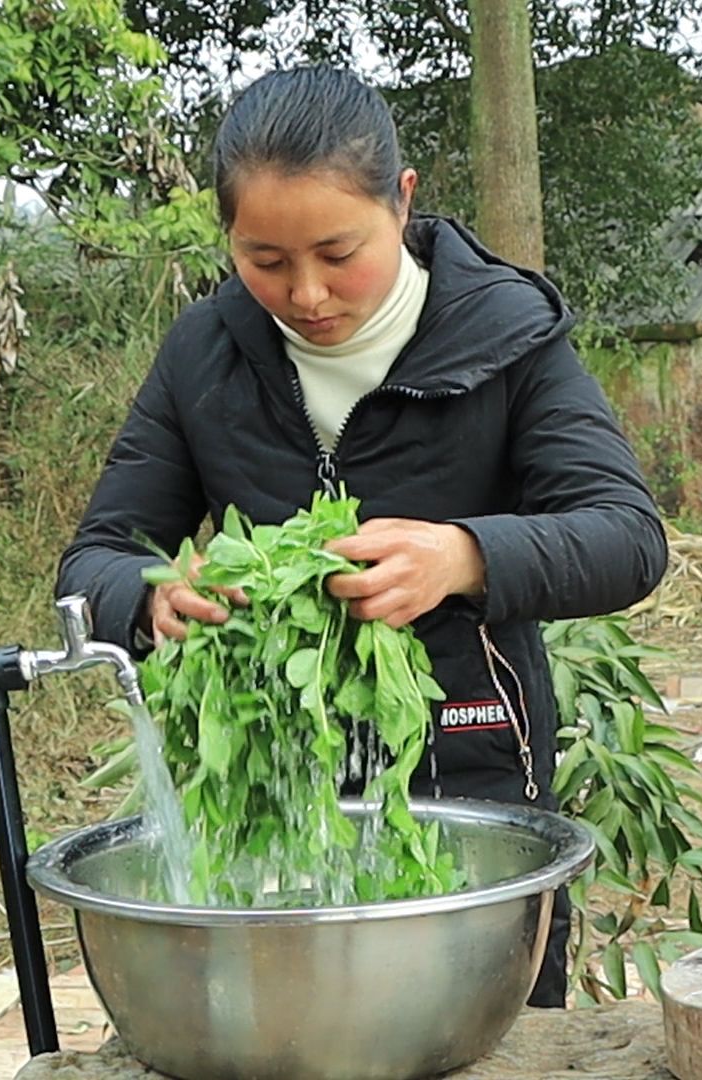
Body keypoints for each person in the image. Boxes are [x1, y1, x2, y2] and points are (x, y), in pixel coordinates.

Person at [57, 65, 668, 1007]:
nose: (306, 293)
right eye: (264, 260)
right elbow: (97, 554)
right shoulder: (204, 355)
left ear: (404, 200)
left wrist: (462, 557)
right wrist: (145, 594)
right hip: (275, 790)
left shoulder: (508, 335)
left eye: (340, 252)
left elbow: (627, 536)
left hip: (473, 779)